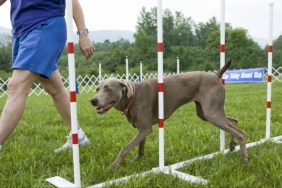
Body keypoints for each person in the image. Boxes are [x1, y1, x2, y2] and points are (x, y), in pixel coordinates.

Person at [0, 0, 95, 152]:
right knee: (53, 88)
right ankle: (79, 136)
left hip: (45, 26)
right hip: (21, 31)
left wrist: (83, 33)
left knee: (16, 86)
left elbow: (72, 1)